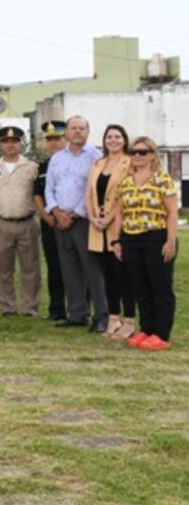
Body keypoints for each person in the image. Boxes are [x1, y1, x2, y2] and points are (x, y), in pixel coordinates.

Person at [111, 136, 178, 351]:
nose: (137, 156)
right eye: (133, 152)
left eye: (142, 151)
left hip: (155, 236)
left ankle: (161, 333)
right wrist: (117, 240)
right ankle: (146, 329)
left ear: (152, 154)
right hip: (131, 238)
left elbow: (172, 213)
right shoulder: (126, 181)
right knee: (140, 286)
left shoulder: (163, 180)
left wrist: (170, 241)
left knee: (159, 286)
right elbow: (120, 213)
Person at [44, 116, 108, 332]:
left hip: (83, 220)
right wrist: (55, 211)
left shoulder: (96, 157)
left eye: (82, 128)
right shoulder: (57, 158)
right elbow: (49, 188)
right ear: (67, 133)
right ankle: (77, 313)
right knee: (69, 269)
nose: (77, 132)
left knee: (92, 269)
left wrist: (76, 214)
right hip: (60, 220)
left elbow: (94, 190)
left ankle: (101, 315)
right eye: (74, 128)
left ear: (88, 132)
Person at [0, 127, 41, 317]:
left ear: (20, 144)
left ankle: (29, 308)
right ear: (1, 144)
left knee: (30, 267)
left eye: (14, 141)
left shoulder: (32, 167)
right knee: (3, 267)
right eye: (6, 141)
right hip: (1, 222)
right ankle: (7, 306)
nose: (10, 145)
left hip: (27, 221)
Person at [85, 124, 133, 338]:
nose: (113, 140)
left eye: (117, 136)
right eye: (109, 137)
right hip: (97, 226)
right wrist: (93, 216)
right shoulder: (98, 164)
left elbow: (126, 194)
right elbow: (88, 194)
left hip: (118, 223)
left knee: (123, 273)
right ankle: (113, 317)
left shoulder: (129, 163)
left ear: (124, 140)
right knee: (108, 275)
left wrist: (110, 217)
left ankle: (130, 319)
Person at [33, 120, 68, 321]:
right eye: (50, 140)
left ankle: (79, 307)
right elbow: (37, 193)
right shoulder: (44, 165)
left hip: (73, 221)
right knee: (54, 267)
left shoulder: (74, 161)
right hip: (50, 223)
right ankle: (56, 309)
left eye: (57, 139)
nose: (53, 143)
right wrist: (46, 216)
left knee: (77, 267)